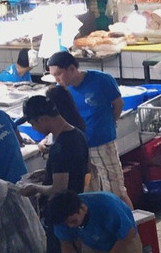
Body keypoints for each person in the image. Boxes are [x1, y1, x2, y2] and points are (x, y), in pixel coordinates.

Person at [21, 95, 91, 253]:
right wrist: (47, 175)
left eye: (33, 123)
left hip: (60, 213)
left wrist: (35, 188)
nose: (34, 129)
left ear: (42, 119)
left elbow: (60, 187)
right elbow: (82, 169)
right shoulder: (76, 134)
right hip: (75, 206)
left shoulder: (61, 146)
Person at [46, 51, 130, 207]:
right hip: (79, 147)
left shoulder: (102, 80)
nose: (56, 80)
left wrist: (109, 123)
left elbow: (118, 104)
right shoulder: (62, 91)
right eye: (53, 76)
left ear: (71, 68)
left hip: (102, 143)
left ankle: (129, 226)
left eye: (58, 74)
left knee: (116, 192)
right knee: (89, 193)